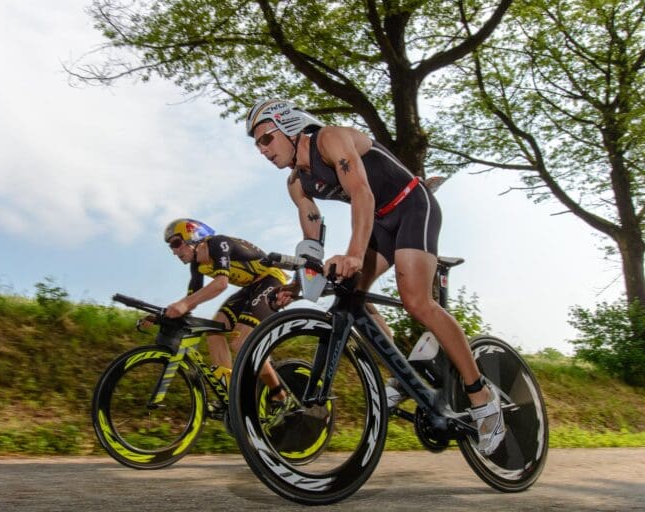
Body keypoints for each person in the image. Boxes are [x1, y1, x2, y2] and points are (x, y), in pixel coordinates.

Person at [244, 99, 505, 455]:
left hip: (412, 205)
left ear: (288, 125)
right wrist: (298, 284)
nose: (261, 150)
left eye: (265, 138)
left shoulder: (329, 139)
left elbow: (361, 193)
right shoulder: (296, 184)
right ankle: (406, 371)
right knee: (349, 297)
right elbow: (312, 239)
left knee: (416, 301)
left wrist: (354, 253)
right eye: (256, 144)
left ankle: (481, 396)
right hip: (380, 223)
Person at [162, 218, 294, 425]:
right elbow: (191, 298)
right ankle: (232, 395)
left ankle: (281, 397)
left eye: (176, 243)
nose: (174, 251)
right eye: (170, 246)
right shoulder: (198, 265)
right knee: (214, 331)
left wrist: (184, 304)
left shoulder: (217, 243)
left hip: (271, 279)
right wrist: (164, 315)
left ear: (193, 236)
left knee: (239, 341)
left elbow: (221, 284)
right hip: (250, 288)